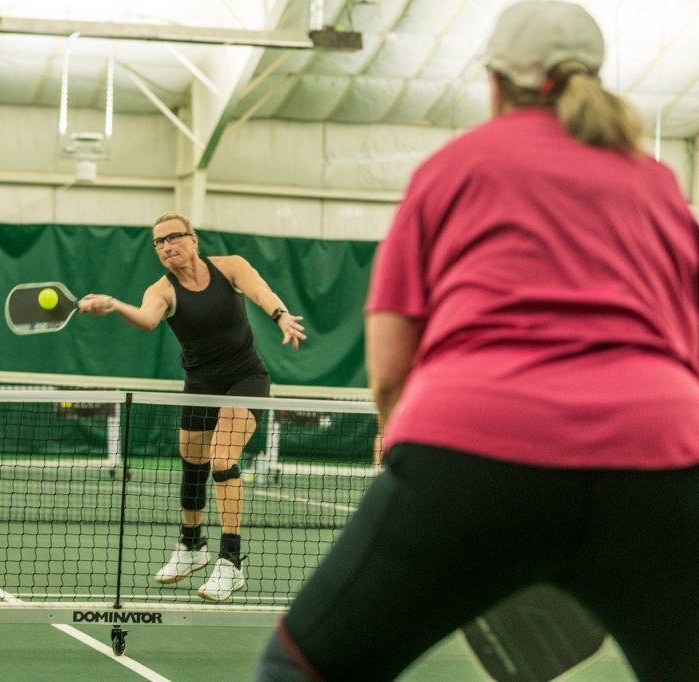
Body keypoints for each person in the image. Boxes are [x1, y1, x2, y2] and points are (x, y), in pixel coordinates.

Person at [257, 1, 699, 679]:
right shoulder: (660, 185)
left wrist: (424, 485)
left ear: (494, 82)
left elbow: (389, 370)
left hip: (469, 451)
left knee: (300, 667)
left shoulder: (452, 168)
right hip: (661, 455)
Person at [80, 211, 306, 601]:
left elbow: (261, 291)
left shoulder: (230, 267)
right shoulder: (162, 290)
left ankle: (230, 562)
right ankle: (190, 546)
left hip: (245, 378)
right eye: (159, 242)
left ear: (193, 239)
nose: (166, 246)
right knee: (193, 464)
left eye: (174, 237)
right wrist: (115, 305)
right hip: (200, 385)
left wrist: (281, 317)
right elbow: (147, 320)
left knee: (222, 458)